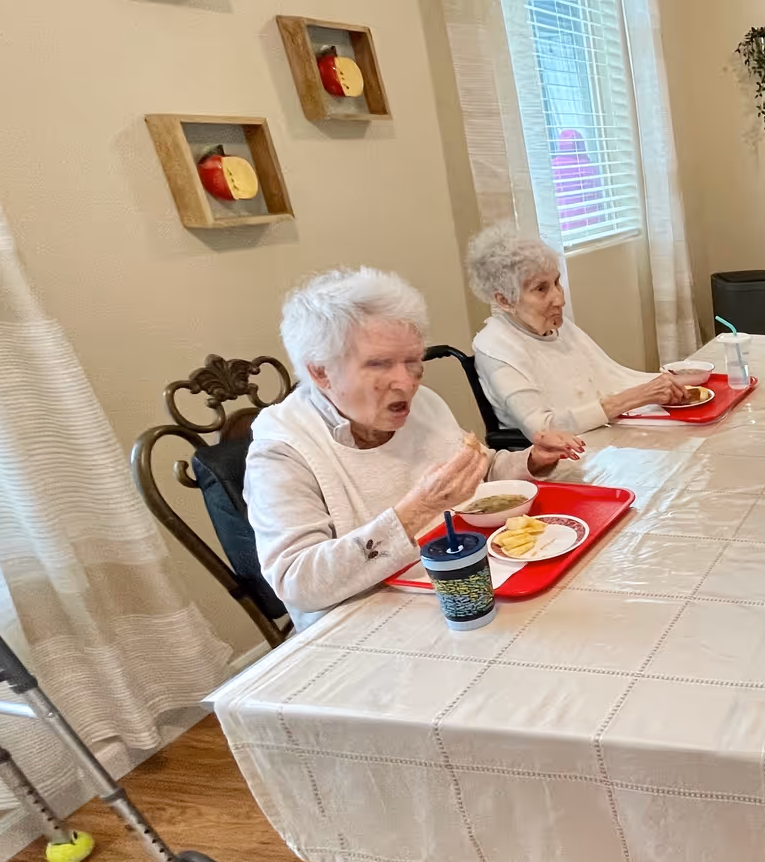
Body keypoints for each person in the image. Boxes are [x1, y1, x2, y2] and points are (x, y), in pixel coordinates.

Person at [246, 267, 583, 629]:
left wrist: (532, 460)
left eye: (412, 361)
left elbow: (480, 475)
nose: (406, 383)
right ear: (321, 372)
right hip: (364, 627)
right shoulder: (282, 451)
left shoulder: (425, 405)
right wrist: (419, 509)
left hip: (465, 589)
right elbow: (298, 583)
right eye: (379, 364)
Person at [466, 222, 689, 435]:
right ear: (505, 300)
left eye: (556, 282)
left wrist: (679, 382)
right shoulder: (496, 349)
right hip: (560, 457)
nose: (559, 299)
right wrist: (636, 397)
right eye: (541, 289)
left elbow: (611, 381)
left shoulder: (558, 328)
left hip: (602, 436)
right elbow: (543, 429)